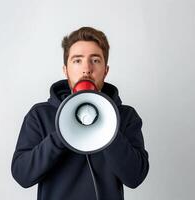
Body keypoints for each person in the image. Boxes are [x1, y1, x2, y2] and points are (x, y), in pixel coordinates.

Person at [11, 27, 149, 200]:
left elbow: (135, 177)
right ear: (65, 69)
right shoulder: (40, 115)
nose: (87, 69)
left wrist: (108, 130)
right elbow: (22, 175)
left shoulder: (126, 116)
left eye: (95, 60)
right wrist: (62, 133)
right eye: (77, 61)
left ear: (105, 70)